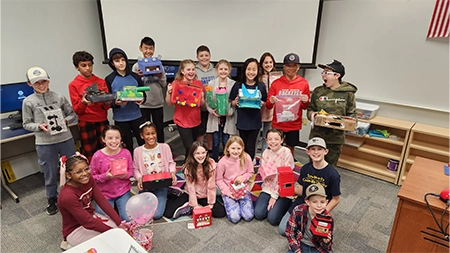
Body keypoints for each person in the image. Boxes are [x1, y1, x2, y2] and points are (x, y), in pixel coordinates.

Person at [22, 66, 77, 215]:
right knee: (50, 171)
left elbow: (72, 114)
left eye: (43, 81)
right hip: (45, 142)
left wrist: (66, 120)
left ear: (48, 81)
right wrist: (39, 126)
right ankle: (52, 198)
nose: (41, 85)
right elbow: (26, 123)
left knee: (73, 167)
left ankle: (76, 193)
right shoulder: (28, 102)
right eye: (36, 83)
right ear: (29, 84)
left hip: (65, 138)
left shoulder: (58, 97)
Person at [278, 137, 341, 236]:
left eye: (319, 149)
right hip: (303, 201)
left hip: (318, 205)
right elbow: (302, 189)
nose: (316, 152)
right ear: (307, 151)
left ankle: (303, 226)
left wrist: (323, 212)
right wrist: (286, 188)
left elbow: (336, 199)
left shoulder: (333, 174)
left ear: (326, 151)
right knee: (282, 229)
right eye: (313, 149)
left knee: (313, 232)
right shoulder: (305, 168)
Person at [58, 154, 123, 248]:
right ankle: (70, 244)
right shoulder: (67, 196)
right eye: (78, 171)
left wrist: (119, 222)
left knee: (117, 231)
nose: (84, 173)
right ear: (68, 175)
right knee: (107, 244)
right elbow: (87, 222)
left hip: (91, 217)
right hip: (75, 229)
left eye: (86, 169)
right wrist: (112, 232)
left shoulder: (88, 179)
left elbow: (101, 201)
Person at [307, 60, 357, 167]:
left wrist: (351, 122)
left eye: (327, 73)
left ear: (337, 75)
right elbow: (310, 109)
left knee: (329, 168)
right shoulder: (318, 91)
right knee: (314, 166)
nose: (323, 75)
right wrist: (312, 115)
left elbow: (352, 114)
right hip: (317, 136)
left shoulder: (348, 93)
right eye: (323, 73)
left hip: (335, 138)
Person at [164, 141, 226, 219]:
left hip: (205, 194)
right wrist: (195, 205)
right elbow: (191, 188)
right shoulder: (188, 167)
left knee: (221, 212)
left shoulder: (211, 164)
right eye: (197, 153)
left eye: (203, 153)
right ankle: (175, 195)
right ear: (192, 154)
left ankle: (190, 206)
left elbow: (211, 186)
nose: (201, 156)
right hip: (190, 193)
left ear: (207, 153)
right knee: (168, 213)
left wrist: (211, 203)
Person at [68, 51, 111, 162]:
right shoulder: (73, 85)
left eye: (90, 65)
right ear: (76, 67)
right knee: (90, 151)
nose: (88, 68)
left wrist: (107, 103)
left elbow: (107, 106)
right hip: (86, 122)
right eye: (83, 65)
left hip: (102, 120)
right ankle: (92, 176)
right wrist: (83, 103)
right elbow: (77, 110)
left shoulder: (100, 81)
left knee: (106, 149)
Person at [266, 52, 310, 156]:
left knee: (290, 150)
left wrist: (305, 101)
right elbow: (268, 106)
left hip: (293, 124)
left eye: (294, 66)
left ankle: (288, 169)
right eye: (288, 66)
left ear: (298, 67)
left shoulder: (304, 83)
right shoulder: (276, 83)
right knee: (274, 148)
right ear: (284, 67)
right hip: (278, 124)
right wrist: (271, 101)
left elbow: (305, 107)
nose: (291, 69)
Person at [105, 47, 145, 155]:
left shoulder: (135, 77)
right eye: (117, 61)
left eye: (123, 60)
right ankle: (130, 167)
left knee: (142, 142)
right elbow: (108, 100)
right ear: (112, 63)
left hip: (136, 116)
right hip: (120, 118)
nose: (121, 63)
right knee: (127, 144)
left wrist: (142, 100)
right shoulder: (109, 79)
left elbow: (143, 94)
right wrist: (116, 103)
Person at [133, 121, 177, 220]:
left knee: (157, 215)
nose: (151, 136)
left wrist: (172, 172)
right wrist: (139, 178)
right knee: (143, 212)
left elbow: (171, 163)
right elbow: (135, 169)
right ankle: (166, 195)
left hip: (161, 183)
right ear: (142, 136)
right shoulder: (137, 151)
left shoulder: (164, 147)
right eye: (147, 134)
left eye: (153, 133)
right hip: (147, 185)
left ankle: (168, 194)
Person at [90, 125, 133, 221]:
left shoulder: (126, 153)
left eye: (117, 137)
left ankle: (119, 208)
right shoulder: (97, 156)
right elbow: (91, 178)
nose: (114, 141)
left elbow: (131, 171)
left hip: (123, 191)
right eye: (110, 138)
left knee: (128, 219)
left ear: (121, 139)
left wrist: (125, 175)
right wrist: (105, 176)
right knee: (104, 221)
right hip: (104, 193)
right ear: (103, 139)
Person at [229, 58, 267, 160]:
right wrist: (234, 102)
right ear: (244, 70)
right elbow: (231, 100)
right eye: (249, 69)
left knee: (251, 146)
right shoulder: (238, 85)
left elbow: (265, 101)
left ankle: (249, 165)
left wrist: (262, 103)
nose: (251, 72)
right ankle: (241, 164)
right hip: (242, 121)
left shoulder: (261, 86)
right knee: (242, 145)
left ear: (258, 71)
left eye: (254, 69)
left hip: (255, 122)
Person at [165, 59, 204, 159]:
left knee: (192, 148)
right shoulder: (176, 84)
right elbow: (169, 103)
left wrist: (202, 97)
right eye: (188, 69)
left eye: (193, 69)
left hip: (195, 120)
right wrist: (168, 92)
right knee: (189, 146)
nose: (191, 71)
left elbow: (201, 104)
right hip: (182, 120)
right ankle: (188, 167)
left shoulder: (198, 84)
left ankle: (189, 166)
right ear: (182, 71)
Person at [254, 128, 294, 225]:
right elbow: (264, 173)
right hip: (268, 188)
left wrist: (274, 196)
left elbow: (285, 177)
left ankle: (288, 204)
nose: (273, 142)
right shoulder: (266, 152)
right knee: (258, 214)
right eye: (270, 139)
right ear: (266, 140)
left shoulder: (286, 152)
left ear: (282, 140)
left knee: (272, 219)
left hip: (283, 190)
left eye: (276, 139)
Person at [132, 36, 167, 143]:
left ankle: (162, 149)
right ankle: (144, 151)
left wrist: (160, 75)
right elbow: (134, 88)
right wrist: (139, 77)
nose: (148, 51)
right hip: (143, 104)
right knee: (143, 130)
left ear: (154, 49)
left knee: (159, 128)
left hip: (157, 103)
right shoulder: (136, 66)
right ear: (140, 48)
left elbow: (164, 84)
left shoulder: (159, 65)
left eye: (150, 48)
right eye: (146, 48)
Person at [216, 136, 254, 223]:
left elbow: (251, 172)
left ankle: (239, 204)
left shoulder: (246, 157)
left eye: (238, 148)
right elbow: (218, 179)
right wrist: (227, 193)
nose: (236, 151)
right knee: (235, 218)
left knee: (248, 216)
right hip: (229, 190)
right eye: (233, 148)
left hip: (243, 189)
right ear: (228, 148)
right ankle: (226, 200)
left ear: (242, 148)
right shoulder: (222, 162)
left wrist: (243, 177)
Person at [286, 183, 334, 253]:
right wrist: (297, 250)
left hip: (317, 247)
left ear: (327, 202)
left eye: (322, 202)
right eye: (314, 202)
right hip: (301, 242)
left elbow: (328, 246)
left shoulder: (328, 218)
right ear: (307, 202)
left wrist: (326, 242)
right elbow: (290, 233)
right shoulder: (298, 210)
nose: (319, 205)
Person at [205, 59, 237, 162]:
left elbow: (235, 101)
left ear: (229, 70)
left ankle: (226, 162)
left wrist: (230, 111)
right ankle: (214, 161)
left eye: (225, 69)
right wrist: (211, 110)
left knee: (226, 140)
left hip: (228, 117)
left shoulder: (233, 84)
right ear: (217, 70)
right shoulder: (211, 83)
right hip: (215, 117)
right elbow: (207, 100)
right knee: (215, 141)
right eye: (221, 69)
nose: (223, 71)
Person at [195, 45, 217, 153]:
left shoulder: (215, 70)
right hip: (199, 106)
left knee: (210, 129)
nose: (204, 58)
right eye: (201, 56)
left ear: (210, 56)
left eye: (206, 55)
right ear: (197, 57)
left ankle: (210, 150)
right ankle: (199, 151)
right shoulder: (194, 71)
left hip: (212, 104)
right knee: (200, 130)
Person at [259, 52, 278, 153]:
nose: (268, 64)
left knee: (268, 136)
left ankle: (265, 157)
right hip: (259, 109)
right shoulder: (258, 77)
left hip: (271, 110)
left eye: (271, 62)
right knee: (256, 135)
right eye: (266, 62)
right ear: (261, 64)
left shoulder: (277, 78)